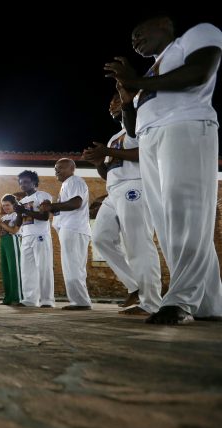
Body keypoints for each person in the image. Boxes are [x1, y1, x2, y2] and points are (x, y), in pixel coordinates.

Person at [105, 17, 222, 323]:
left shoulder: (195, 36)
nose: (134, 39)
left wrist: (137, 83)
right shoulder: (151, 72)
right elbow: (131, 127)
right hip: (149, 139)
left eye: (139, 31)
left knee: (186, 211)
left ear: (163, 24)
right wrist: (129, 99)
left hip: (184, 125)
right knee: (169, 223)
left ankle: (181, 299)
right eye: (131, 37)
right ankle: (209, 303)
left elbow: (199, 73)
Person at [83, 92, 161, 316]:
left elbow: (143, 154)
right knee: (100, 239)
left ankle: (152, 302)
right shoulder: (114, 137)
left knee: (138, 242)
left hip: (135, 186)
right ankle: (136, 286)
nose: (111, 103)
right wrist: (99, 162)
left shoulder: (140, 128)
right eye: (110, 101)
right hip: (113, 191)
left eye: (117, 99)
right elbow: (109, 174)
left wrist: (107, 152)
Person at [40, 159, 92, 310]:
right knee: (74, 266)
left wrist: (52, 205)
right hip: (72, 229)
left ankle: (80, 302)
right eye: (55, 169)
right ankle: (80, 300)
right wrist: (51, 208)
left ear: (72, 168)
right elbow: (65, 207)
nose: (57, 171)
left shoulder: (74, 181)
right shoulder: (67, 184)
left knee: (72, 266)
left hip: (73, 229)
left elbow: (76, 203)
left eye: (61, 168)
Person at [14, 170, 54, 308]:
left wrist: (24, 211)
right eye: (21, 183)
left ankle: (47, 300)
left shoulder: (42, 195)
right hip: (26, 236)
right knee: (27, 269)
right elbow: (19, 223)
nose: (23, 185)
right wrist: (18, 212)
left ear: (34, 182)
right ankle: (30, 299)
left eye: (26, 182)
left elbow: (44, 217)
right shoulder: (22, 201)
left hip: (40, 235)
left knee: (44, 267)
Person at [0, 194, 22, 305]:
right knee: (5, 270)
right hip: (3, 242)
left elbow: (14, 231)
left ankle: (17, 297)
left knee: (14, 269)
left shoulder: (16, 215)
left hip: (12, 240)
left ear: (13, 205)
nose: (5, 207)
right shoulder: (4, 217)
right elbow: (0, 233)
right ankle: (8, 297)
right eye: (3, 205)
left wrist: (0, 224)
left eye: (7, 205)